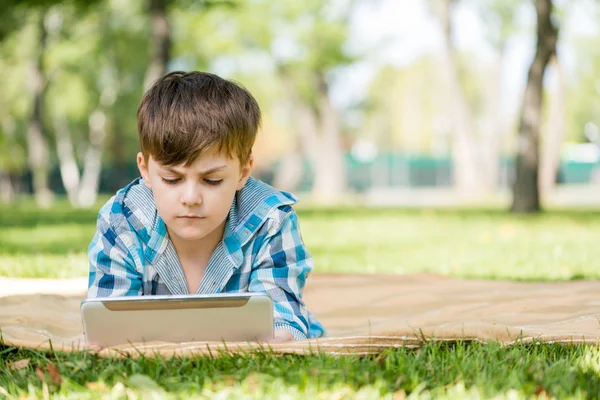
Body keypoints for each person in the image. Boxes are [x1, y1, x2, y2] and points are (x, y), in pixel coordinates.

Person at [87, 71, 325, 342]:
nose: (190, 197)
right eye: (171, 179)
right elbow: (108, 326)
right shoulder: (122, 221)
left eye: (212, 180)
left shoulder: (270, 221)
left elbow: (279, 322)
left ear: (243, 172)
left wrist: (281, 336)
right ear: (146, 170)